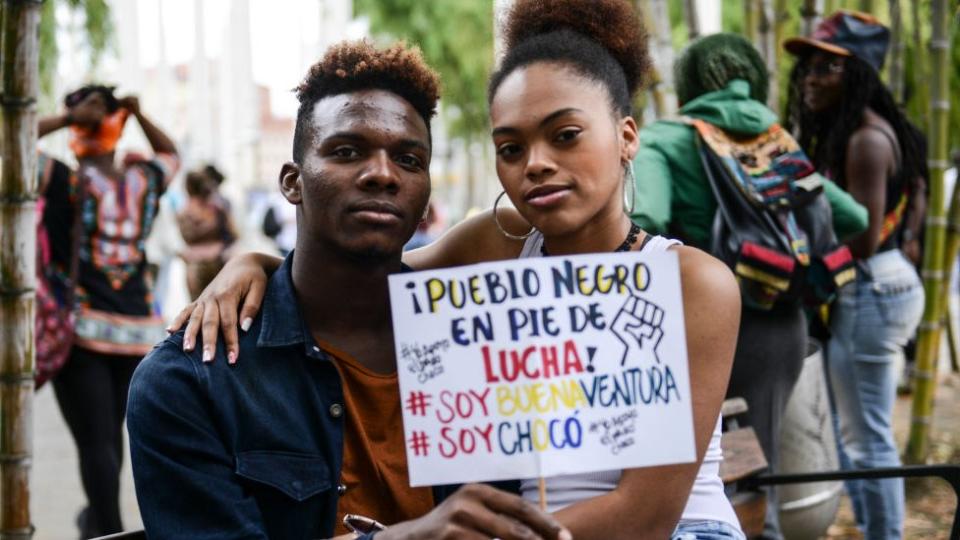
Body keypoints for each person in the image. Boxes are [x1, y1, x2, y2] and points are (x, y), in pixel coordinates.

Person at [171, 1, 744, 538]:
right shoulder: (497, 244)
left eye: (565, 136)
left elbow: (642, 516)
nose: (537, 164)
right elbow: (367, 275)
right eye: (511, 148)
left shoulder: (692, 282)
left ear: (625, 137)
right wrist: (251, 265)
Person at [127, 39, 571, 540]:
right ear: (292, 183)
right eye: (347, 151)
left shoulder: (486, 344)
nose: (382, 174)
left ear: (425, 198)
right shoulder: (188, 382)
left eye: (408, 159)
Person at [630, 33, 868, 539]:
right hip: (778, 331)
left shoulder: (666, 139)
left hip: (695, 331)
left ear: (690, 80)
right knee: (758, 472)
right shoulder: (776, 142)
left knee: (697, 479)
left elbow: (644, 218)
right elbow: (853, 215)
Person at [784, 11, 926, 540]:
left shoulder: (865, 140)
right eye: (810, 67)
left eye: (829, 67)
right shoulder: (860, 133)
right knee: (857, 436)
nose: (814, 77)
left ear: (862, 73)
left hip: (870, 288)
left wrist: (793, 262)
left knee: (868, 440)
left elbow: (863, 238)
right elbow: (913, 203)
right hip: (874, 287)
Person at [37, 85, 179, 538]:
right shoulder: (143, 181)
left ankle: (108, 530)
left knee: (96, 443)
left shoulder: (63, 180)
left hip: (83, 332)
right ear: (117, 127)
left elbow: (10, 138)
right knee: (112, 441)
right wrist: (137, 113)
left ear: (77, 129)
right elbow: (171, 153)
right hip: (138, 331)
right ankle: (96, 522)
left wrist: (66, 119)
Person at [177, 165, 237, 299]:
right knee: (219, 304)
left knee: (196, 306)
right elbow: (234, 233)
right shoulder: (217, 208)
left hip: (194, 264)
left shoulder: (184, 212)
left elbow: (183, 239)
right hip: (217, 260)